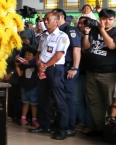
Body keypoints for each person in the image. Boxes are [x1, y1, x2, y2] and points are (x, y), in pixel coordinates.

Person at [81, 8, 116, 136]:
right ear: (99, 19)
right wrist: (86, 34)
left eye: (110, 19)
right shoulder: (93, 30)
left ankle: (112, 129)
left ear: (114, 20)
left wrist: (101, 30)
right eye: (104, 19)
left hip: (108, 73)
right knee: (94, 101)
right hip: (91, 72)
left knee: (110, 102)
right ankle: (99, 128)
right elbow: (86, 47)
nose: (107, 22)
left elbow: (111, 45)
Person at [29, 12, 69, 140]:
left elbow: (58, 55)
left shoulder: (62, 36)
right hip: (42, 68)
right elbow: (39, 53)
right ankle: (44, 125)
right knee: (43, 98)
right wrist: (39, 63)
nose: (45, 22)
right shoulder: (43, 36)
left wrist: (44, 66)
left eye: (48, 20)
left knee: (59, 99)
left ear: (56, 21)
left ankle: (62, 129)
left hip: (54, 69)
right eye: (45, 20)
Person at [53, 8, 81, 137]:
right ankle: (60, 123)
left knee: (68, 97)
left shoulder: (70, 30)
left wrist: (74, 68)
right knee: (59, 97)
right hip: (58, 68)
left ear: (61, 18)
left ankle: (70, 126)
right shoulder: (55, 32)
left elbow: (76, 50)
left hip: (68, 67)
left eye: (53, 18)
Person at [15, 46, 39, 127]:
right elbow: (20, 74)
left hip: (34, 87)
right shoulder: (23, 65)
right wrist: (16, 65)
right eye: (25, 55)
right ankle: (23, 118)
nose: (26, 56)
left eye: (29, 55)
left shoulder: (36, 65)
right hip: (24, 87)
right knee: (25, 103)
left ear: (34, 56)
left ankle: (34, 119)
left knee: (34, 104)